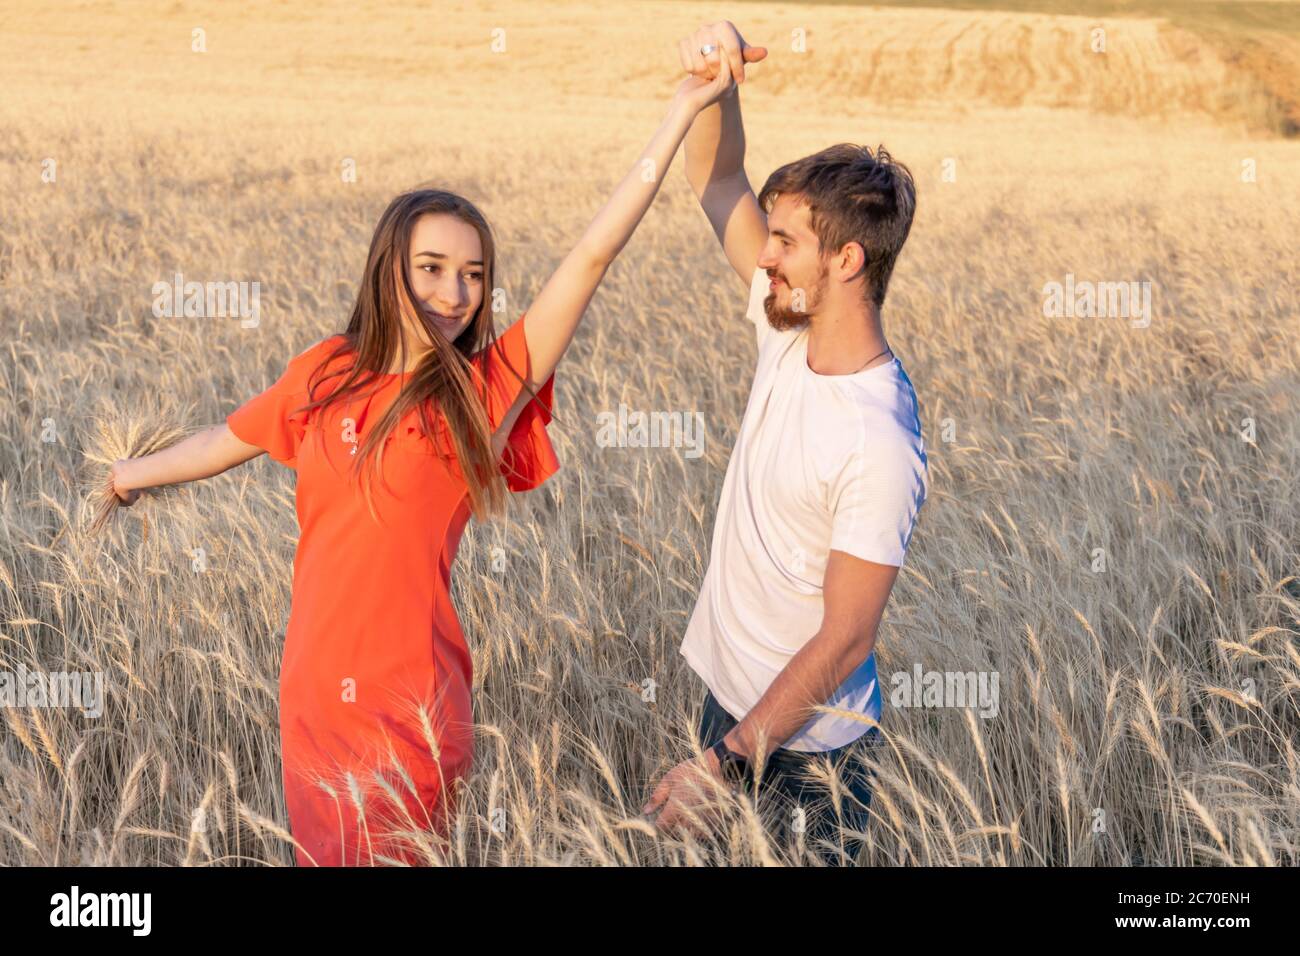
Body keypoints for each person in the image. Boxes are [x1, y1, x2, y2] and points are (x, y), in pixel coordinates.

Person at [107, 60, 741, 866]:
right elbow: (225, 441)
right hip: (310, 692)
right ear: (390, 269)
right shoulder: (323, 372)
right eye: (433, 269)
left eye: (474, 276)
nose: (455, 293)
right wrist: (131, 475)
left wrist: (684, 108)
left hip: (410, 704)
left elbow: (590, 256)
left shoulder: (484, 393)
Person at [643, 21, 930, 866]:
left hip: (806, 759)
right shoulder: (785, 326)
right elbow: (716, 173)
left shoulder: (880, 436)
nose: (760, 258)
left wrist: (725, 765)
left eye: (784, 242)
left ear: (846, 259)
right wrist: (720, 79)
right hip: (726, 705)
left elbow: (846, 638)